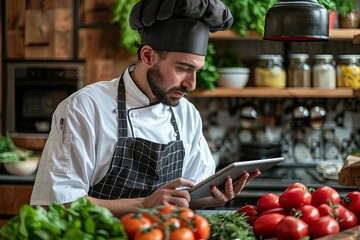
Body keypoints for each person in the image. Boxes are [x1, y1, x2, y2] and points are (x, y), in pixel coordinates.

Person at [30, 0, 260, 217]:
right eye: (182, 68)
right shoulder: (85, 108)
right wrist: (143, 204)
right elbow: (56, 203)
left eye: (196, 70)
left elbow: (189, 196)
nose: (192, 84)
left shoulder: (187, 114)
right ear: (148, 55)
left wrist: (213, 198)